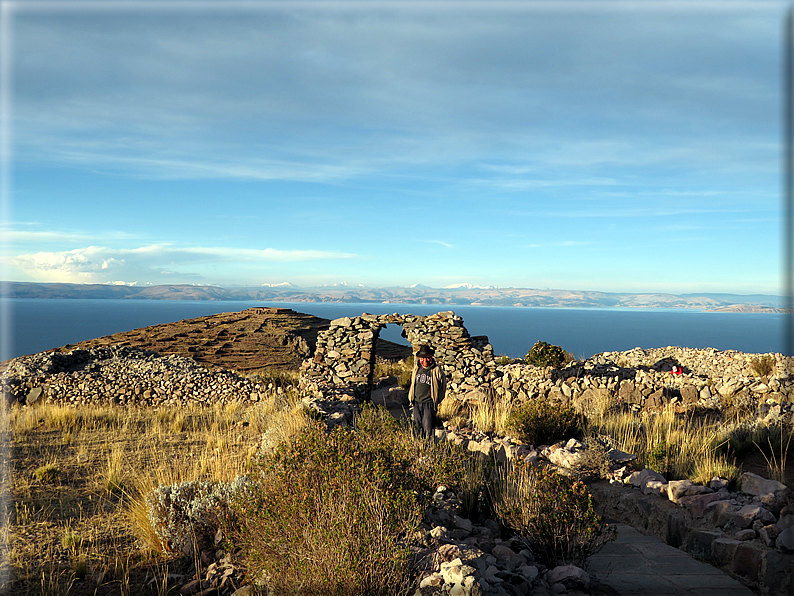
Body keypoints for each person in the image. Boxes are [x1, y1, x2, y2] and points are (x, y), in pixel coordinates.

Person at [408, 344, 446, 439]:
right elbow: (413, 383)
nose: (425, 360)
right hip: (416, 403)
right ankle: (418, 448)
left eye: (427, 358)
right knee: (417, 428)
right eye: (423, 358)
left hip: (429, 404)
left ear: (431, 357)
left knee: (428, 429)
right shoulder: (417, 368)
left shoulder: (436, 370)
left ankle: (429, 450)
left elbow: (443, 387)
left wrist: (436, 400)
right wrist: (411, 398)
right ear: (420, 358)